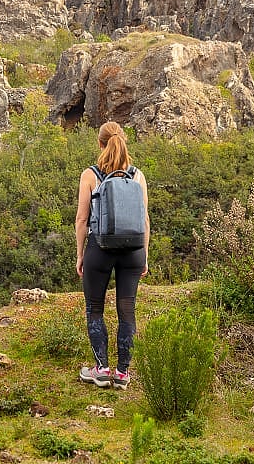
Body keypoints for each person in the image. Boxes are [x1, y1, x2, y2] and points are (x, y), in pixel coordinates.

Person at [75, 121, 149, 389]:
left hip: (100, 248)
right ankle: (122, 374)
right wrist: (145, 255)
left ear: (100, 144)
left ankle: (101, 369)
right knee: (127, 310)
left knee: (95, 308)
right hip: (133, 251)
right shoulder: (137, 175)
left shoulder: (91, 175)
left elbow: (82, 219)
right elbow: (145, 220)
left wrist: (80, 254)